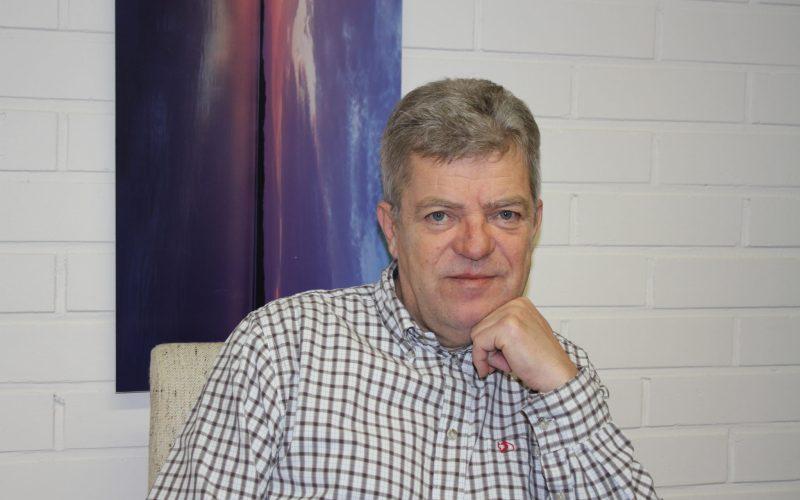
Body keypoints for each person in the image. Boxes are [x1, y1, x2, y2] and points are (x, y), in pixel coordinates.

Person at [148, 78, 657, 498]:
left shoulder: (560, 372)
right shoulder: (282, 349)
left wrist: (563, 391)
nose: (476, 245)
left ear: (535, 225)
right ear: (392, 229)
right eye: (440, 216)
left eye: (505, 214)